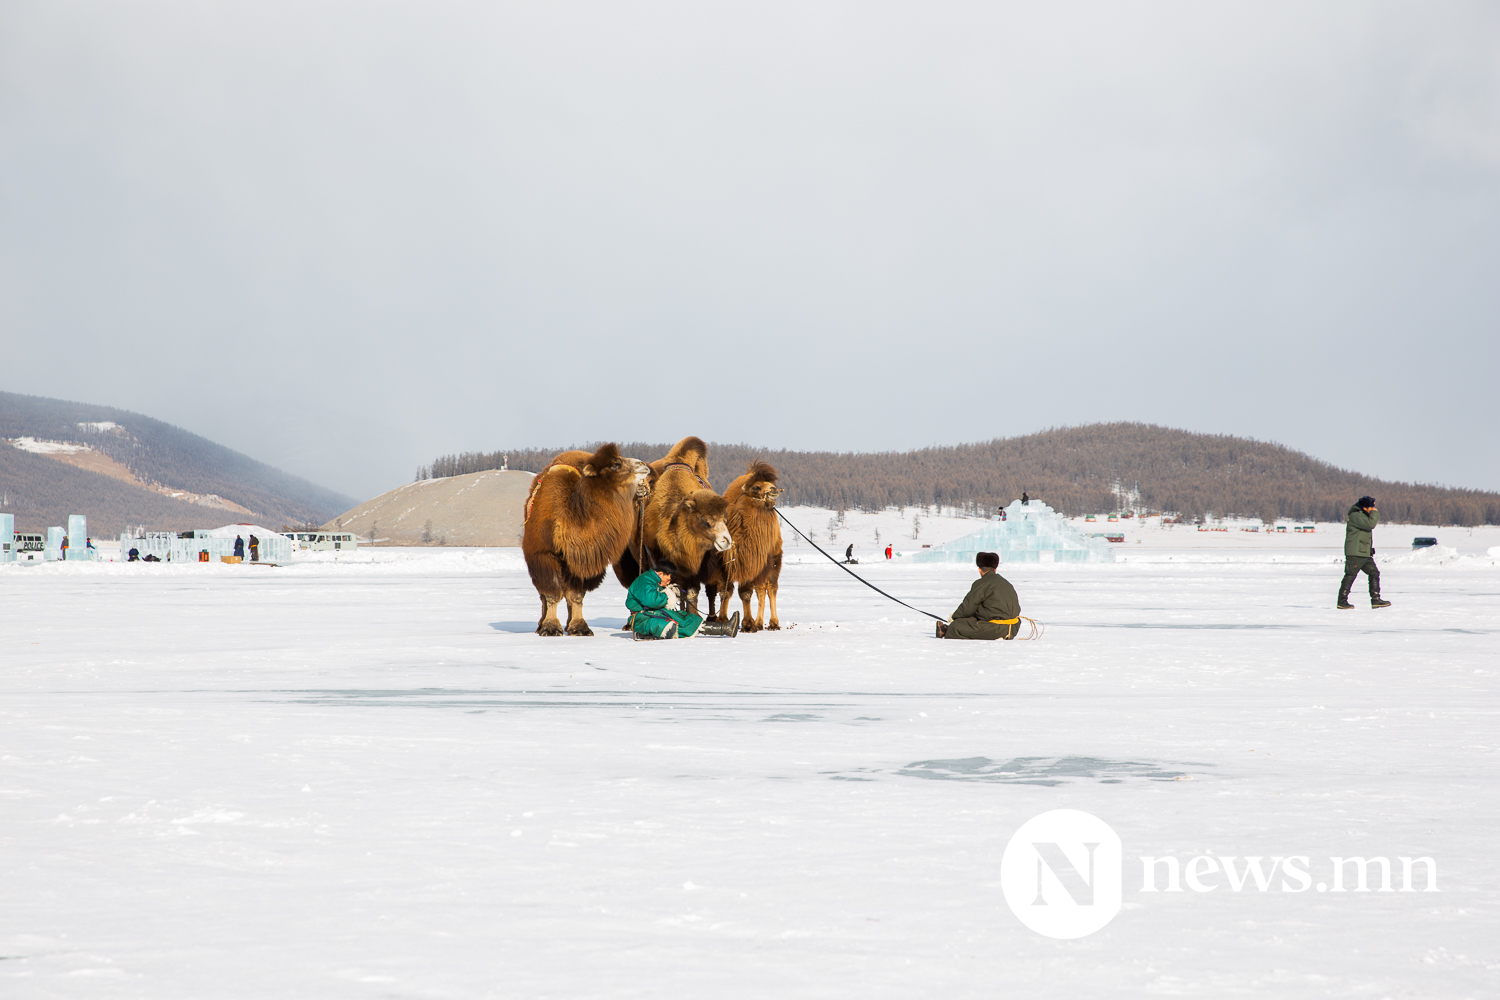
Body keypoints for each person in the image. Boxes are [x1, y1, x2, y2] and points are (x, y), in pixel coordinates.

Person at [626, 561, 737, 639]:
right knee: (674, 626)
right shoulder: (645, 580)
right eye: (668, 579)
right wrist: (669, 596)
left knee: (684, 617)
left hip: (651, 615)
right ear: (660, 573)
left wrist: (667, 590)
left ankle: (725, 628)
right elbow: (652, 601)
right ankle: (645, 633)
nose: (668, 582)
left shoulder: (652, 580)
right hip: (642, 619)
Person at [937, 551, 1021, 640]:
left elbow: (968, 607)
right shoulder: (1006, 583)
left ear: (979, 570)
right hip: (1013, 628)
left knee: (956, 626)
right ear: (995, 569)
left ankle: (947, 630)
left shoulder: (981, 583)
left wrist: (954, 618)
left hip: (997, 629)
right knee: (971, 619)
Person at [1339, 496, 1391, 610]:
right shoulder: (1356, 516)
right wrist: (1375, 513)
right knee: (1350, 575)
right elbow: (1370, 524)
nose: (1373, 509)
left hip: (1363, 553)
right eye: (1371, 506)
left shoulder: (1361, 515)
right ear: (1365, 507)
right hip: (1356, 553)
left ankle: (1376, 599)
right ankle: (1342, 602)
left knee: (1374, 573)